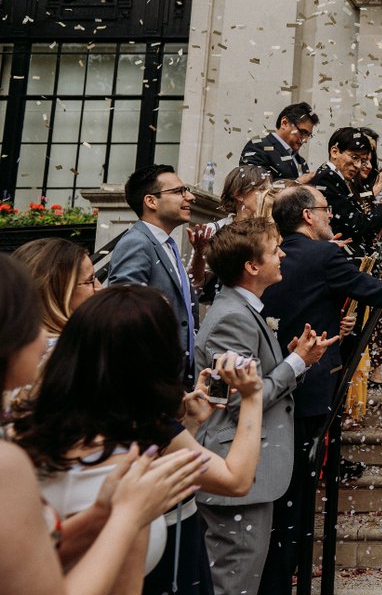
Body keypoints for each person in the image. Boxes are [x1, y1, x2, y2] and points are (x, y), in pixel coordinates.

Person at [13, 286, 265, 595]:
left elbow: (44, 555)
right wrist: (253, 397)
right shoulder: (133, 459)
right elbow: (236, 481)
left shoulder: (26, 429)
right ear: (154, 359)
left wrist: (188, 423)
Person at [257, 185, 382, 595]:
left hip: (273, 385)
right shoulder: (324, 255)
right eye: (324, 209)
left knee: (281, 497)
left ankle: (275, 576)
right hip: (306, 393)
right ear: (307, 215)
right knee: (297, 502)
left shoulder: (275, 254)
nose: (331, 217)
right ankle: (285, 580)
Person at [0, 256, 204, 595]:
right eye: (31, 322)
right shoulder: (8, 462)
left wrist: (100, 513)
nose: (45, 335)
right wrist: (129, 515)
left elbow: (34, 559)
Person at [193, 218, 336, 595]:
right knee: (233, 581)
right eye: (275, 250)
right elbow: (242, 400)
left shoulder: (243, 308)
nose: (283, 254)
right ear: (252, 266)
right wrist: (296, 364)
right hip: (236, 472)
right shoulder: (231, 319)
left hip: (249, 473)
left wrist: (291, 359)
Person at [107, 164, 200, 382]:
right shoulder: (136, 244)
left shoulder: (168, 244)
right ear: (151, 201)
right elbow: (125, 311)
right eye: (179, 191)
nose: (191, 197)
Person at [310, 127, 382, 258]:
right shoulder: (327, 177)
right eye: (354, 157)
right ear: (335, 152)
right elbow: (356, 226)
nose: (358, 166)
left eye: (361, 160)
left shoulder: (343, 179)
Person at [187, 165, 273, 290]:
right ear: (239, 194)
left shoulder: (274, 229)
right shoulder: (214, 230)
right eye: (261, 189)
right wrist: (199, 254)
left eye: (270, 191)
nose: (268, 196)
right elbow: (194, 285)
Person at [11, 238, 100, 344]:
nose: (100, 289)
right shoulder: (75, 351)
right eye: (89, 281)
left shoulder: (12, 345)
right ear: (55, 292)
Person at [240, 102, 319, 183]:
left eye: (308, 135)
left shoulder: (301, 161)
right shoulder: (258, 146)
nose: (305, 140)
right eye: (302, 132)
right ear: (284, 123)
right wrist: (296, 182)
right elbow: (253, 184)